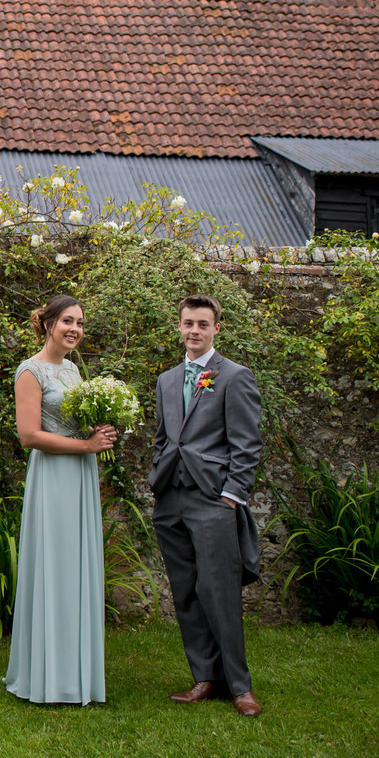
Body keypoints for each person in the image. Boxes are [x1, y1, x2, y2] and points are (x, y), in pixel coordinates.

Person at [149, 294, 264, 717]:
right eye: (187, 323)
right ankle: (205, 677)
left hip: (214, 500)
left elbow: (247, 444)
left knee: (218, 592)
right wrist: (155, 478)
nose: (194, 331)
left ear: (217, 328)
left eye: (202, 324)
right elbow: (165, 438)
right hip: (171, 500)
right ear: (178, 327)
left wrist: (232, 495)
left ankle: (240, 685)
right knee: (186, 594)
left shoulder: (234, 376)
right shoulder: (166, 379)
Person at [3, 295, 116, 705]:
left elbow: (78, 422)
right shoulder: (30, 372)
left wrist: (102, 429)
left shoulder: (72, 369)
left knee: (76, 569)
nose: (75, 329)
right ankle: (47, 676)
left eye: (81, 323)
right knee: (54, 568)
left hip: (81, 476)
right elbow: (29, 436)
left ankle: (76, 672)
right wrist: (87, 445)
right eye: (68, 321)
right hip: (53, 477)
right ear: (48, 323)